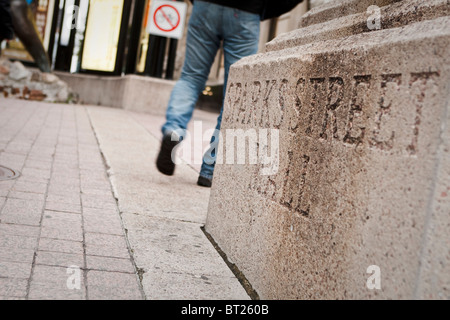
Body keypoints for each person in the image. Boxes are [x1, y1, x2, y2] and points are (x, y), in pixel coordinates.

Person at [156, 0, 303, 187]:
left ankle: (173, 130)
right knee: (235, 92)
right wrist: (263, 9)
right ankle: (210, 168)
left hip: (205, 6)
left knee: (190, 78)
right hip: (246, 12)